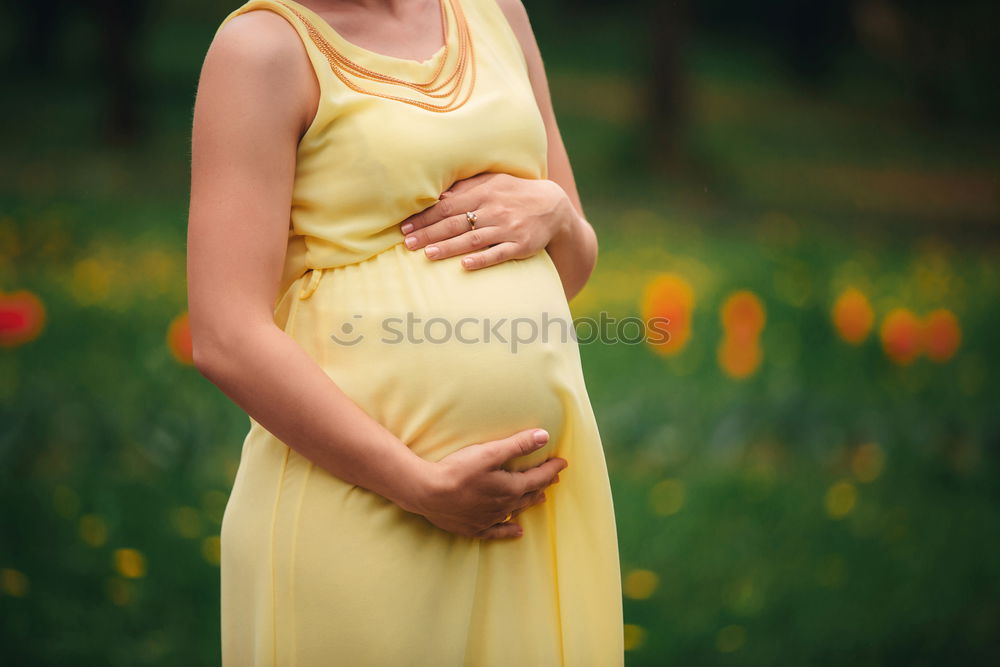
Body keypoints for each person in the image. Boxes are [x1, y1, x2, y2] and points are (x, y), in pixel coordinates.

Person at [187, 0, 623, 663]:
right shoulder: (261, 50)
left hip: (527, 519)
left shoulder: (499, 12)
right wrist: (420, 485)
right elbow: (225, 334)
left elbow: (574, 266)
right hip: (362, 508)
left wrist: (558, 214)